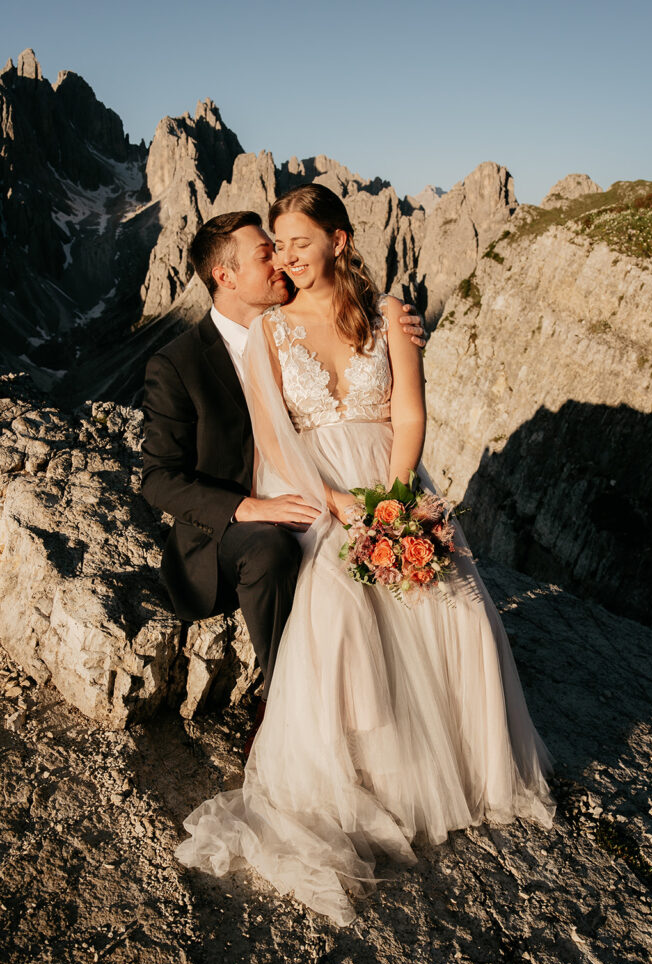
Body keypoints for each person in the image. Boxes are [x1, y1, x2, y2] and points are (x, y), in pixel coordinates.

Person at [175, 186, 556, 925]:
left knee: (454, 601)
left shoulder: (389, 317)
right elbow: (271, 439)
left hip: (392, 474)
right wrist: (341, 504)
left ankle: (470, 768)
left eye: (297, 242)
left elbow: (409, 411)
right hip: (313, 484)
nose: (285, 257)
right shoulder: (270, 334)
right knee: (342, 602)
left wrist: (396, 494)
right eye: (276, 246)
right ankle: (372, 772)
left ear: (339, 241)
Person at [141, 210, 426, 750]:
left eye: (281, 248)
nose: (282, 263)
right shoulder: (177, 363)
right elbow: (157, 479)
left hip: (320, 489)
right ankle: (285, 708)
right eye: (265, 255)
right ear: (225, 277)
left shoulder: (294, 326)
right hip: (234, 529)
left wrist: (401, 326)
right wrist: (246, 508)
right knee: (273, 548)